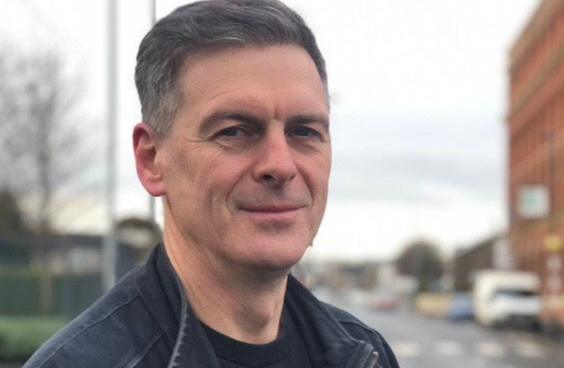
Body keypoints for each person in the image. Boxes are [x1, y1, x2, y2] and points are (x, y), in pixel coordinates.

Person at [25, 1, 399, 367]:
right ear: (151, 160)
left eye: (304, 131)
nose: (281, 165)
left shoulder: (366, 353)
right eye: (234, 131)